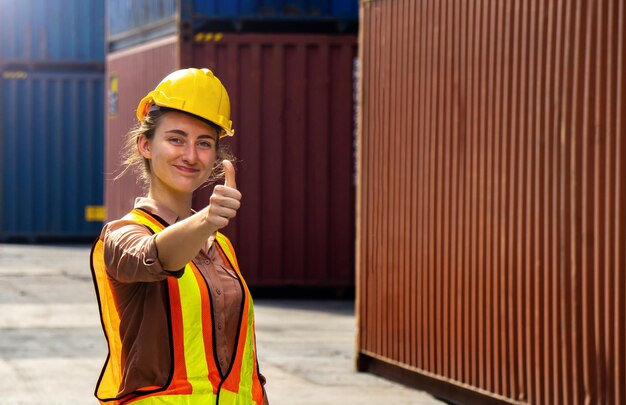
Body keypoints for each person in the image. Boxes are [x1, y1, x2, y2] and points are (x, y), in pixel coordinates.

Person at [90, 68, 268, 405]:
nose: (190, 155)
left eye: (204, 143)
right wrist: (205, 221)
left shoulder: (222, 248)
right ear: (145, 144)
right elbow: (155, 257)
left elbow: (246, 371)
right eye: (176, 139)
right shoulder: (121, 235)